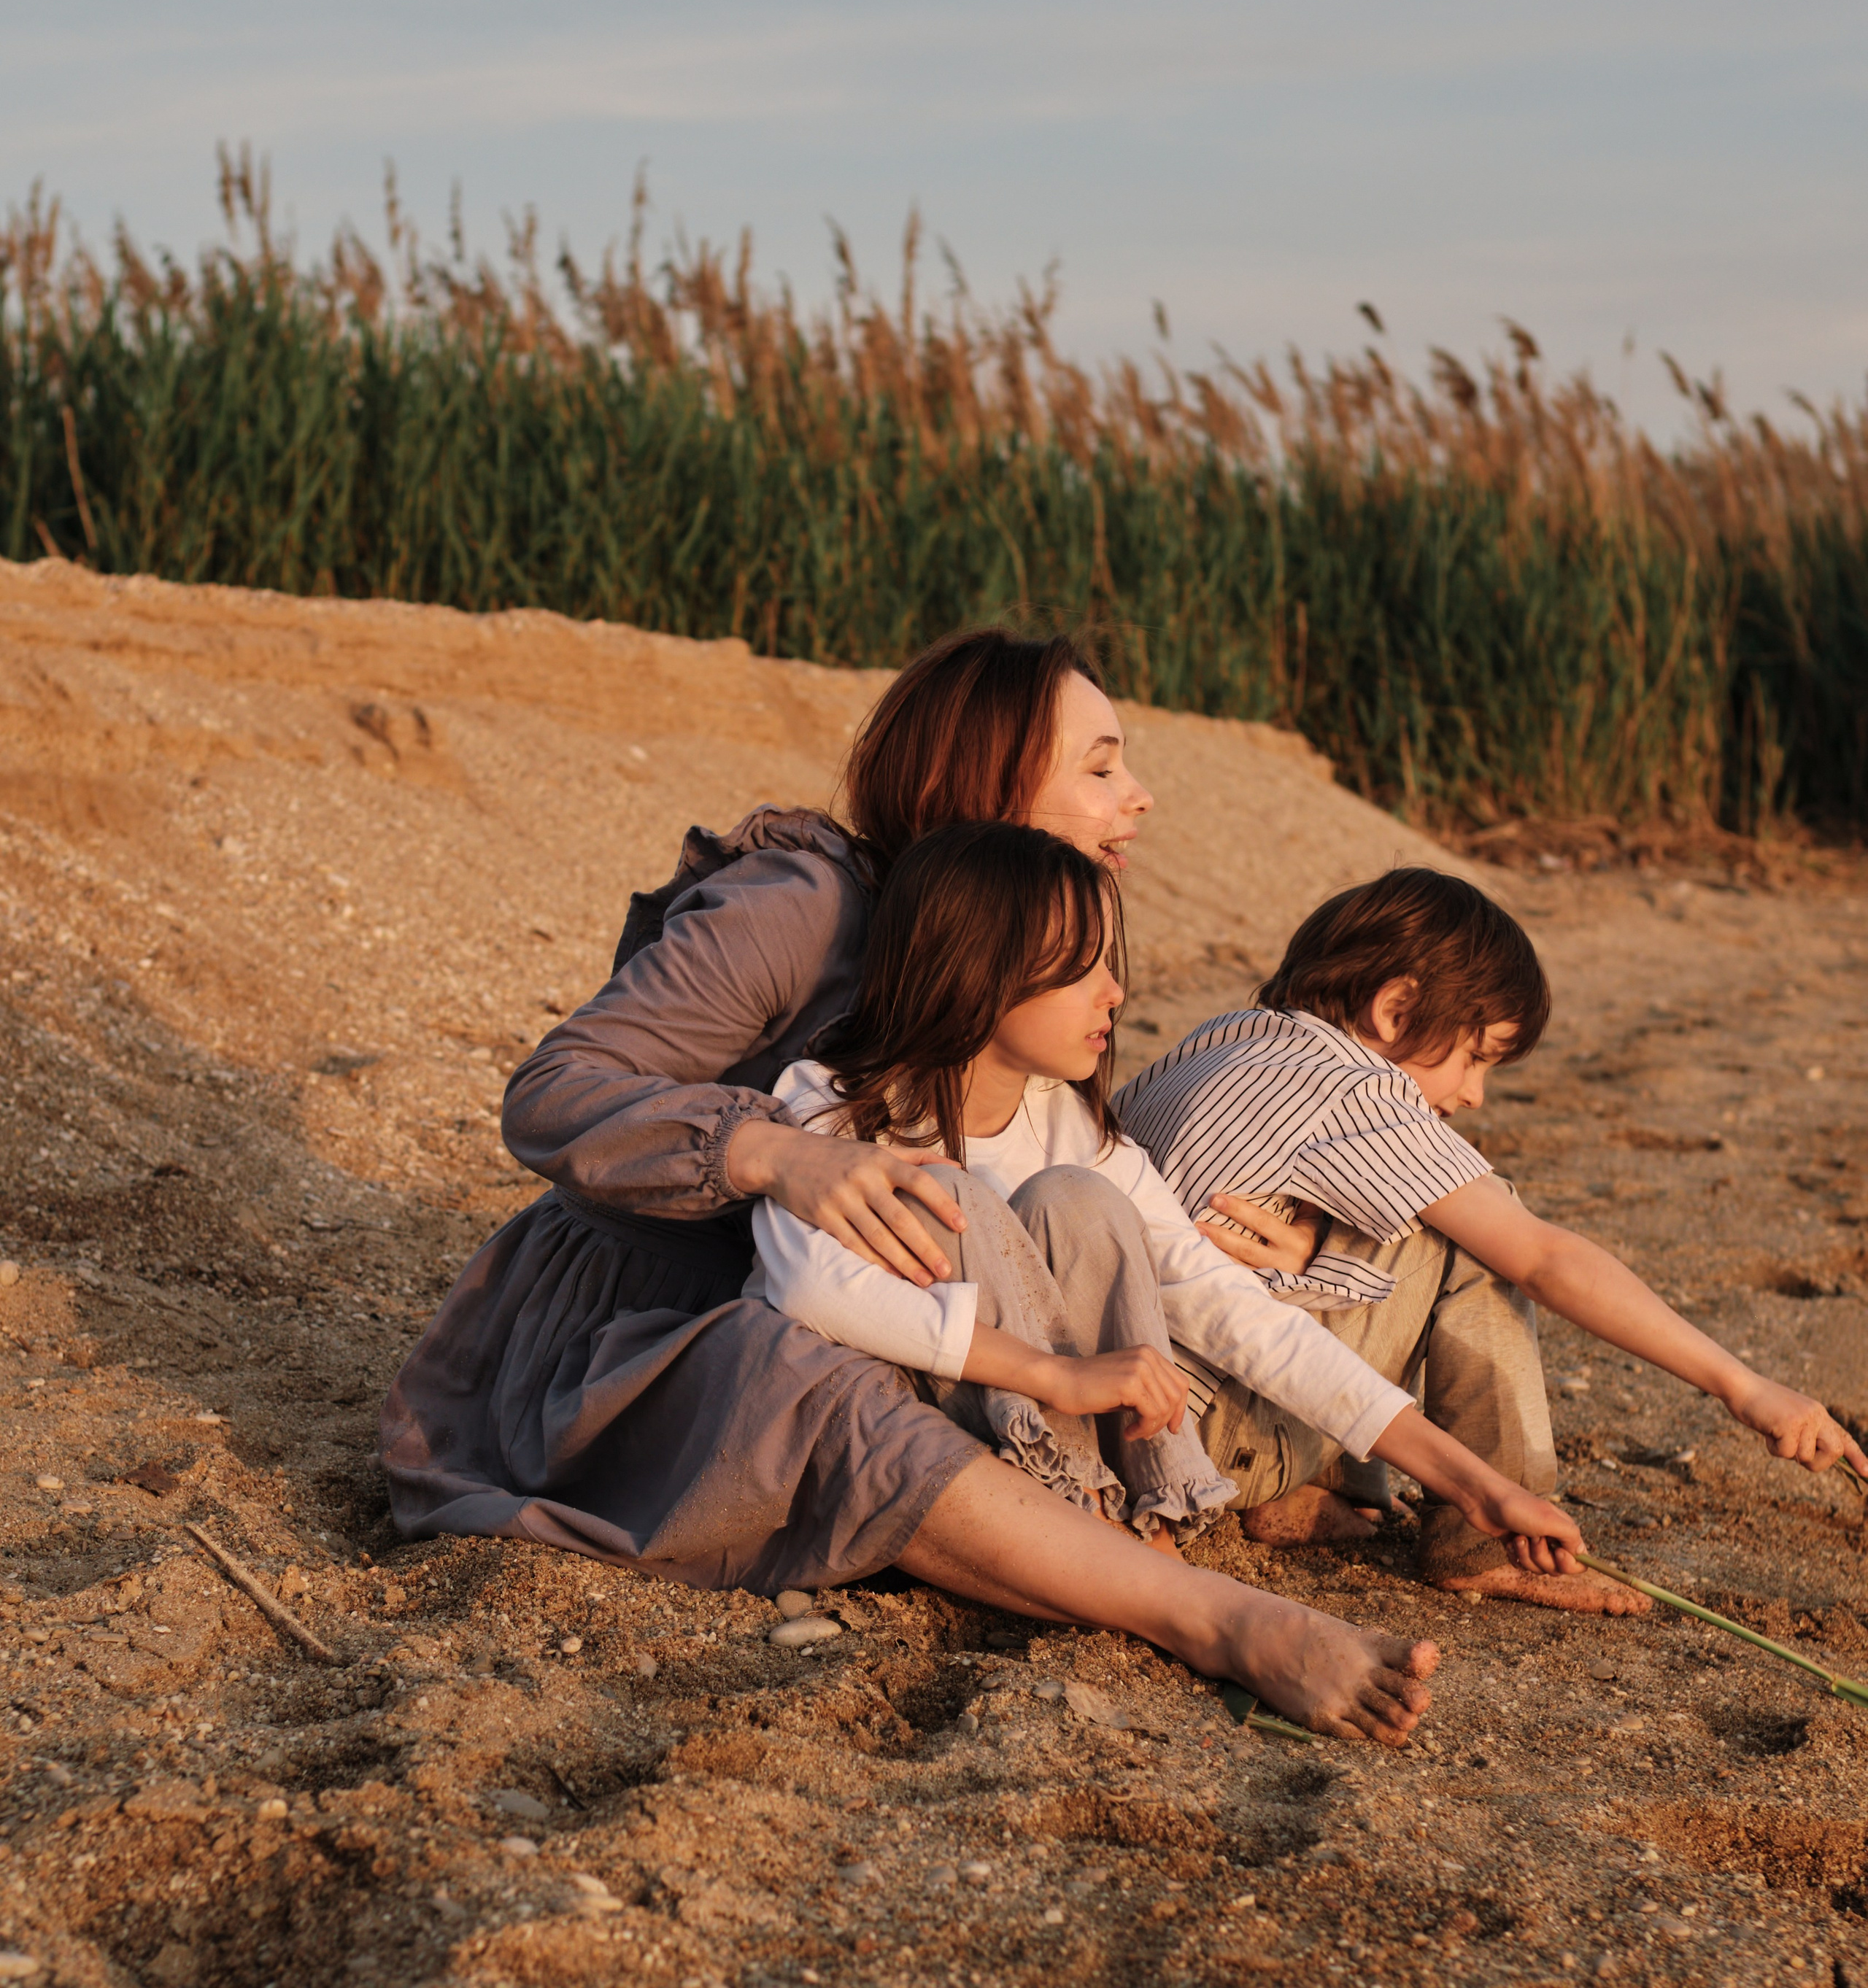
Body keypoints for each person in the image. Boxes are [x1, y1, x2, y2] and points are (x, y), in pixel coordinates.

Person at [379, 629, 1437, 1742]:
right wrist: (775, 1152)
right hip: (653, 1328)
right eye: (1100, 765)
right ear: (972, 781)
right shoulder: (804, 906)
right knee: (815, 1371)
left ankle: (1101, 1533)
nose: (1140, 797)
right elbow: (550, 1092)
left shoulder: (1006, 938)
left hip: (847, 1296)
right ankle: (1222, 1623)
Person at [753, 820, 1587, 1582]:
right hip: (925, 1448)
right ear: (980, 971)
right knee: (945, 1192)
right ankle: (1079, 1512)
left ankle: (1122, 1503)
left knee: (1076, 1201)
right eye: (1083, 969)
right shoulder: (829, 1107)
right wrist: (1052, 1373)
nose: (1114, 992)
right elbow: (809, 1287)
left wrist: (1476, 1486)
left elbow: (1224, 1304)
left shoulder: (1068, 1121)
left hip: (1073, 1437)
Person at [1116, 866, 1868, 1613]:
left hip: (1127, 1418)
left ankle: (1327, 1489)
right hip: (1204, 1444)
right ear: (1395, 1008)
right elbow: (1543, 1260)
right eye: (1474, 1057)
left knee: (1387, 1219)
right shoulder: (1355, 1087)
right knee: (1477, 1225)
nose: (1472, 1094)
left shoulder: (1221, 1037)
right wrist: (1744, 1387)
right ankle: (1477, 1539)